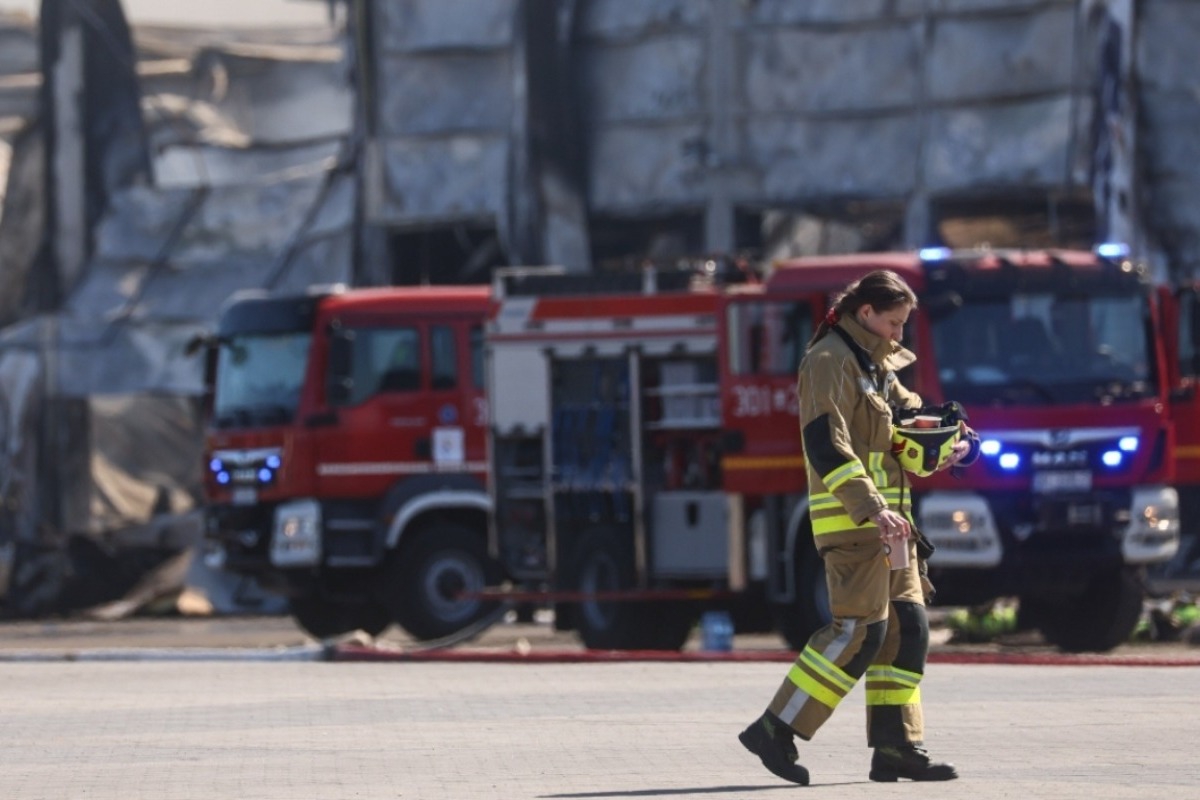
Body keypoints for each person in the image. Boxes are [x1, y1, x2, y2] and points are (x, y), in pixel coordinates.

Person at [738, 269, 980, 785]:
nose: (900, 335)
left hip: (893, 529)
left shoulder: (875, 368)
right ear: (865, 313)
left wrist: (956, 438)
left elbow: (908, 424)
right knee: (859, 634)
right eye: (894, 323)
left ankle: (897, 748)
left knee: (908, 631)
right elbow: (826, 444)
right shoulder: (828, 361)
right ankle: (775, 728)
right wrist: (871, 508)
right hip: (857, 524)